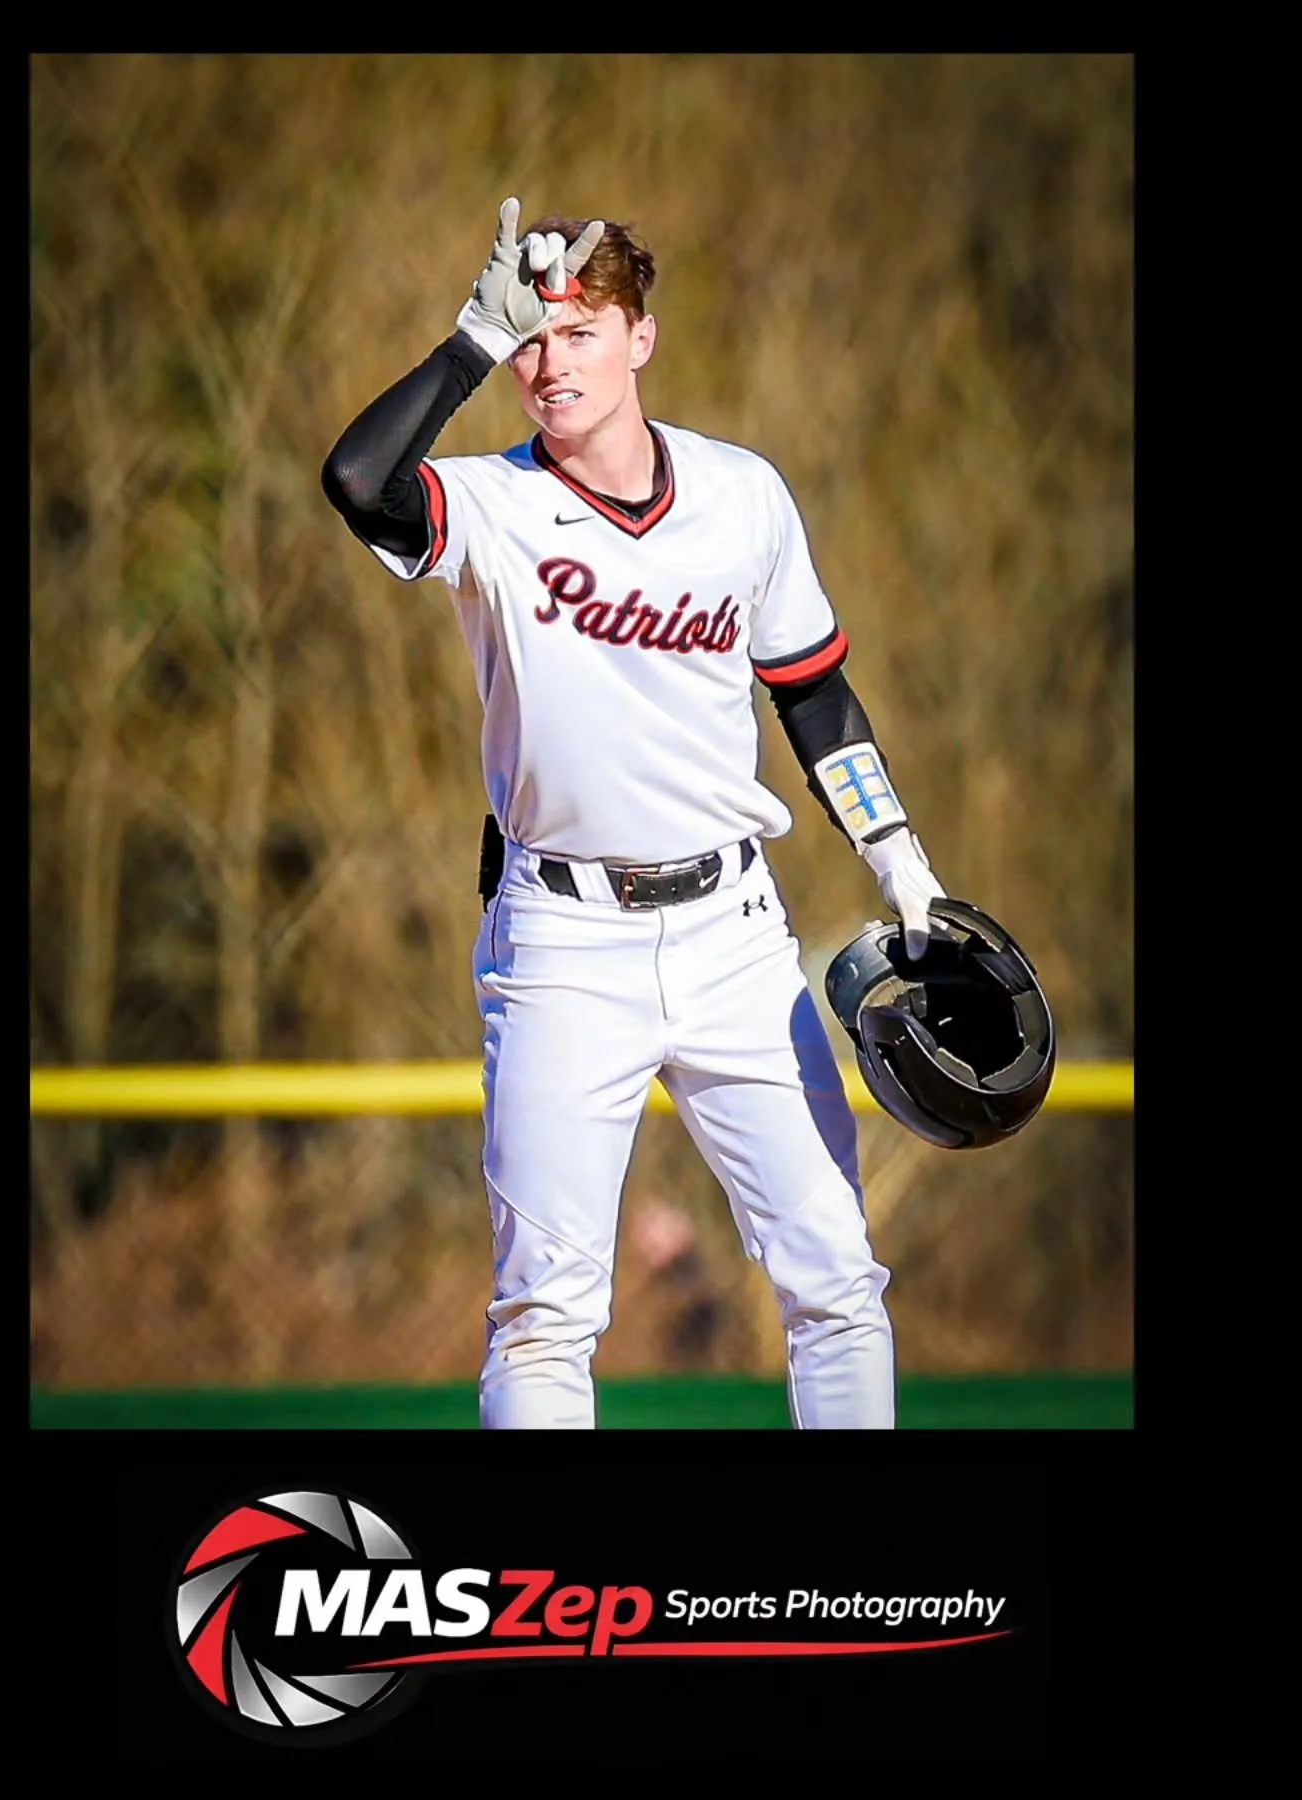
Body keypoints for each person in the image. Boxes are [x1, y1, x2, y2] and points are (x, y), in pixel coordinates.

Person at [321, 197, 946, 1429]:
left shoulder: (742, 495)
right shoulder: (489, 506)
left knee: (836, 1282)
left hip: (734, 934)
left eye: (582, 331)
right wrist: (463, 349)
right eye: (534, 337)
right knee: (545, 1318)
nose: (552, 363)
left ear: (641, 340)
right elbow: (355, 479)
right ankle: (556, 1615)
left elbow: (814, 695)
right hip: (562, 942)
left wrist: (901, 863)